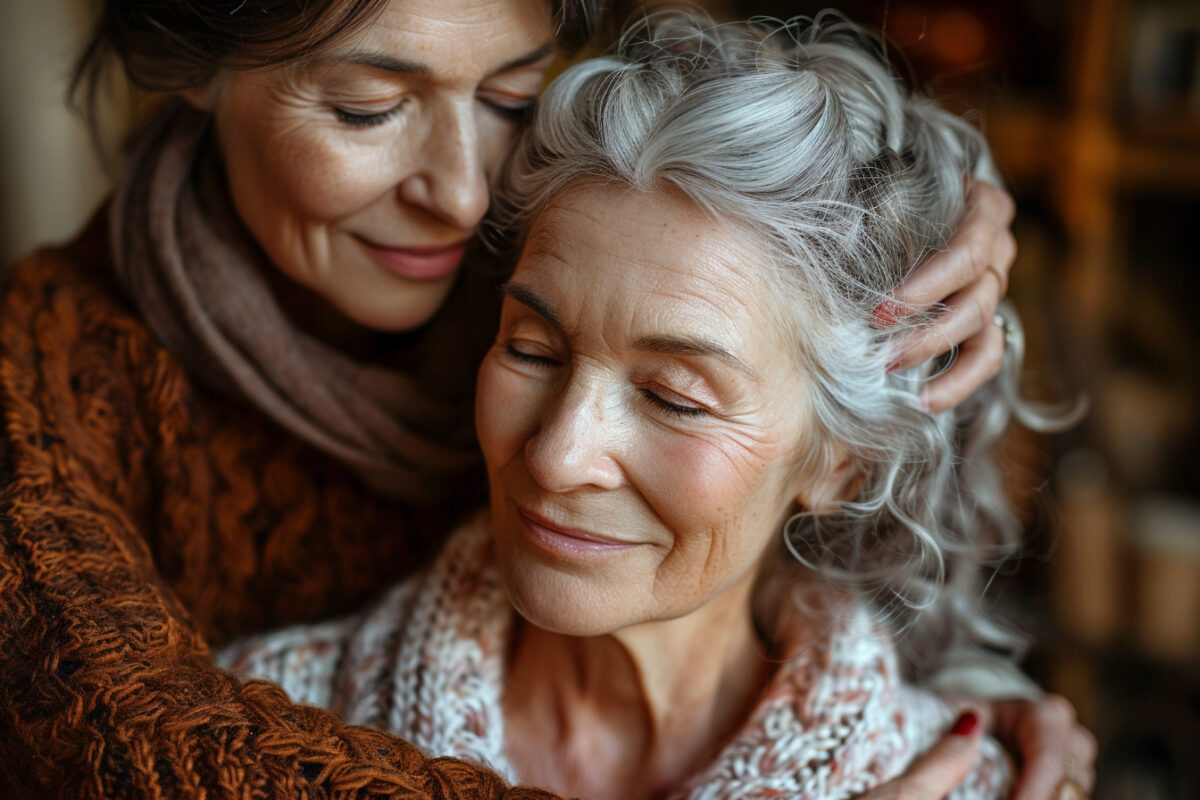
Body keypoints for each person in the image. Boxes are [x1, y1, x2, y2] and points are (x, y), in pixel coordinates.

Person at [0, 0, 1089, 798]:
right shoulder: (50, 393)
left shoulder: (542, 232)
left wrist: (941, 193)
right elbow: (116, 731)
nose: (464, 193)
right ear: (197, 60)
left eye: (511, 97)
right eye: (368, 106)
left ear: (841, 462)